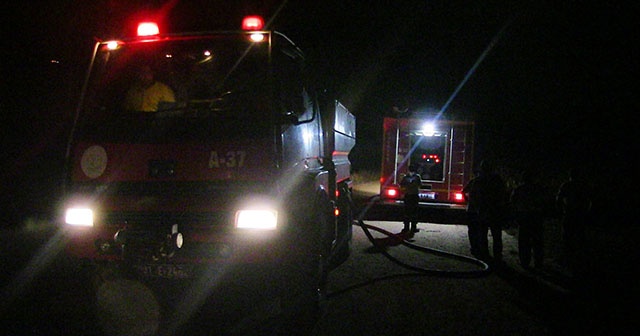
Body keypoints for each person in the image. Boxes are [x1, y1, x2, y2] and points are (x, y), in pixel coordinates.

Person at [463, 159, 508, 264]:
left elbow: (470, 194)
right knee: (496, 236)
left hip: (482, 211)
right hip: (495, 211)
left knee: (482, 234)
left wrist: (472, 205)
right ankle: (497, 256)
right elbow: (504, 195)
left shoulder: (477, 181)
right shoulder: (497, 180)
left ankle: (485, 255)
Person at [556, 167, 592, 275]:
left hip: (569, 214)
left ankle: (568, 258)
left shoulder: (566, 185)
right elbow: (589, 200)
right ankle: (580, 259)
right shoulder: (583, 186)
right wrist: (587, 212)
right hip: (580, 215)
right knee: (580, 236)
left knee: (567, 237)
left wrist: (560, 211)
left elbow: (559, 199)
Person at [510, 169, 546, 270]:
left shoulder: (519, 189)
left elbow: (513, 202)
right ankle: (538, 262)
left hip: (524, 217)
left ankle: (525, 262)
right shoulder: (539, 189)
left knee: (524, 241)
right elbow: (544, 202)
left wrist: (515, 215)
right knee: (537, 241)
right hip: (536, 217)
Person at [400, 163, 422, 234]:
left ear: (408, 169)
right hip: (414, 196)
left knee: (407, 212)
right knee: (414, 212)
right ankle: (413, 228)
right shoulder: (417, 177)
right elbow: (420, 185)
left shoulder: (405, 177)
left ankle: (406, 228)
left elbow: (401, 185)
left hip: (407, 196)